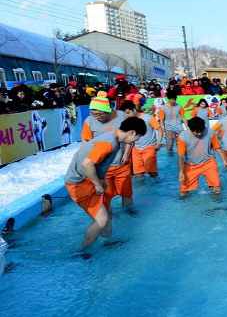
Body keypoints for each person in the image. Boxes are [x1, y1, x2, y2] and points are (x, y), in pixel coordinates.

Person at [64, 117, 146, 247]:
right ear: (131, 132)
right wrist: (97, 184)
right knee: (101, 220)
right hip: (80, 183)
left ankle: (107, 242)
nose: (137, 140)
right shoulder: (108, 143)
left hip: (91, 179)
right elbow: (87, 164)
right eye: (138, 136)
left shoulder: (113, 138)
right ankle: (83, 252)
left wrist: (104, 179)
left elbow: (99, 163)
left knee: (108, 213)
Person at [81, 95, 133, 207]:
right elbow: (85, 140)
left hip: (121, 164)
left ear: (107, 110)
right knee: (105, 196)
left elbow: (130, 136)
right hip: (102, 167)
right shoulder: (89, 121)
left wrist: (126, 154)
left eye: (99, 114)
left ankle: (129, 215)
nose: (96, 117)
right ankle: (109, 218)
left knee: (127, 193)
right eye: (93, 114)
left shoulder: (122, 116)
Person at [177, 116, 227, 197]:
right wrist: (181, 171)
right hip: (191, 165)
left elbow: (217, 147)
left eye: (201, 131)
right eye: (196, 132)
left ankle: (216, 207)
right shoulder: (183, 136)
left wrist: (224, 160)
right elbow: (181, 156)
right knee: (183, 192)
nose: (199, 134)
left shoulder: (210, 132)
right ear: (190, 129)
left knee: (217, 187)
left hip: (209, 163)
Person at [120, 98, 163, 179]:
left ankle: (157, 184)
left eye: (128, 113)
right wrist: (125, 154)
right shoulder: (129, 121)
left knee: (152, 173)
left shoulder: (148, 118)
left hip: (149, 148)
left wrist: (158, 143)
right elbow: (129, 140)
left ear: (134, 109)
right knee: (138, 174)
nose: (127, 115)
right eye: (126, 114)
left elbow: (160, 130)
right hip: (136, 150)